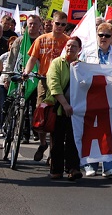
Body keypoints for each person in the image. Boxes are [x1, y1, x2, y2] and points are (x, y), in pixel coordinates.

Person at [23, 11, 70, 162]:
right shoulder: (41, 39)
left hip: (61, 82)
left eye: (64, 25)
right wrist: (26, 72)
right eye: (58, 24)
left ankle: (53, 151)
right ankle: (43, 143)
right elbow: (32, 58)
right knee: (41, 113)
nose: (60, 27)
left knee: (56, 116)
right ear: (52, 23)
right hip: (43, 80)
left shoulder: (68, 41)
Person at [80, 22, 112, 177]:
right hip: (91, 94)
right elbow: (79, 69)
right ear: (96, 36)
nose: (104, 38)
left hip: (111, 95)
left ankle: (109, 165)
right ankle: (90, 164)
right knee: (91, 130)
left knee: (109, 131)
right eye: (101, 35)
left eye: (107, 35)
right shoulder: (87, 52)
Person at [47, 36, 83, 181]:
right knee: (57, 140)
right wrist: (65, 104)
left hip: (75, 111)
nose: (70, 48)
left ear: (79, 50)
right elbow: (53, 85)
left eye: (74, 46)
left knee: (73, 141)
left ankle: (73, 169)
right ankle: (56, 170)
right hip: (59, 108)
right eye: (68, 45)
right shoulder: (56, 63)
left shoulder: (82, 66)